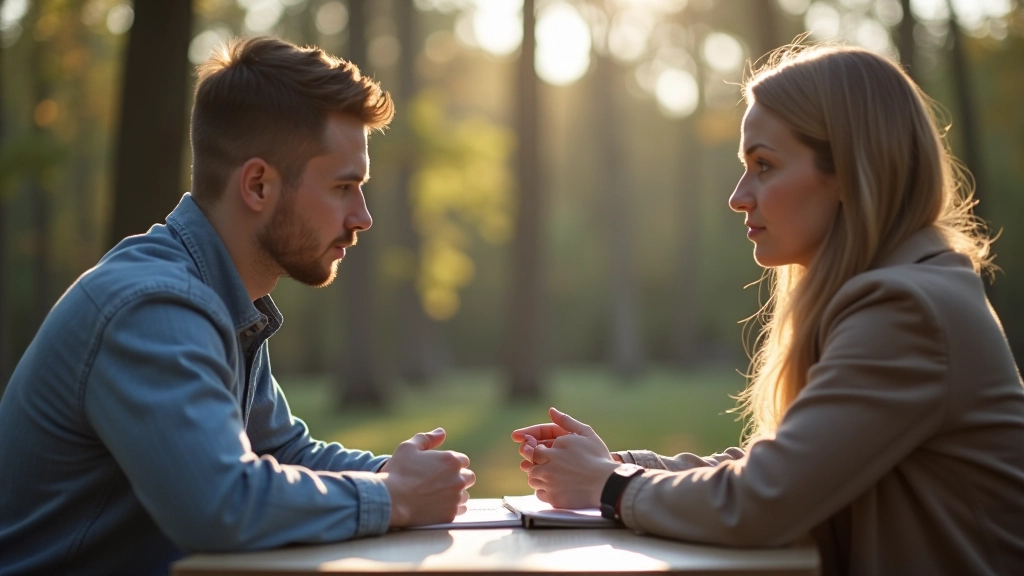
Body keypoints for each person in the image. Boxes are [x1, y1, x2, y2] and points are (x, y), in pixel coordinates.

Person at [512, 44, 1024, 575]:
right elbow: (787, 467)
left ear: (851, 171)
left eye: (764, 165)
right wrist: (620, 466)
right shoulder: (899, 292)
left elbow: (762, 499)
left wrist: (608, 486)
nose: (738, 196)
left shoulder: (908, 310)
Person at [0, 37, 475, 575]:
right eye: (344, 186)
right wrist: (395, 498)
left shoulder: (218, 298)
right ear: (257, 185)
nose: (362, 217)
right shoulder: (154, 307)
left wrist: (399, 472)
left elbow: (283, 454)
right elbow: (221, 504)